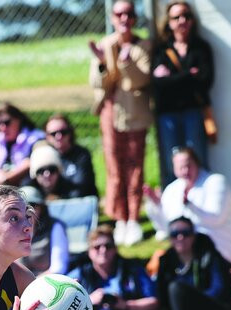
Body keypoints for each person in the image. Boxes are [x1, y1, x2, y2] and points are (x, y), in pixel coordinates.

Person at [89, 1, 152, 246]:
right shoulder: (106, 44)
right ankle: (120, 218)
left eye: (128, 13)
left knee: (134, 166)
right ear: (112, 17)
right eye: (119, 14)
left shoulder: (143, 45)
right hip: (110, 112)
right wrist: (102, 62)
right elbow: (98, 82)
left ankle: (134, 217)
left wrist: (127, 63)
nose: (124, 18)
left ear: (135, 18)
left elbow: (142, 80)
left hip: (135, 114)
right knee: (114, 167)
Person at [150, 1, 215, 185]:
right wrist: (188, 75)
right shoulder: (161, 50)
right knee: (172, 162)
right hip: (167, 115)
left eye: (186, 16)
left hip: (193, 112)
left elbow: (205, 81)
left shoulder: (201, 48)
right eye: (176, 17)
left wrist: (173, 78)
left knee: (197, 159)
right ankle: (174, 207)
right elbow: (158, 84)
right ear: (169, 22)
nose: (182, 21)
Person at [144, 145, 231, 265]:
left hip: (223, 257)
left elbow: (216, 219)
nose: (185, 171)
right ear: (174, 169)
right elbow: (166, 229)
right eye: (181, 168)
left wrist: (190, 205)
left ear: (197, 163)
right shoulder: (172, 190)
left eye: (188, 166)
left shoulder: (216, 182)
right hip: (189, 260)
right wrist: (157, 206)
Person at [0, 101, 45, 190]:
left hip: (25, 187)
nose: (2, 127)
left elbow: (29, 163)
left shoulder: (34, 138)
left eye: (7, 122)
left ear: (18, 119)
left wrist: (4, 179)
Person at [43, 114, 98, 198]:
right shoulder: (45, 156)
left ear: (70, 133)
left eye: (63, 132)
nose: (59, 136)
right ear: (47, 136)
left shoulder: (81, 155)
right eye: (53, 134)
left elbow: (80, 187)